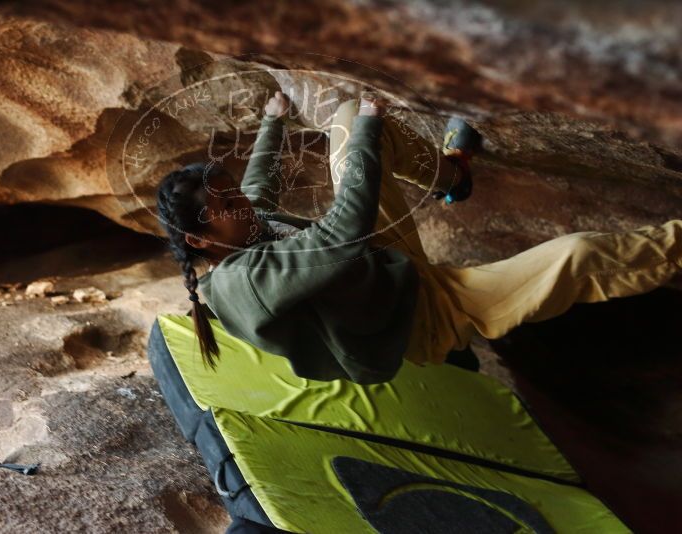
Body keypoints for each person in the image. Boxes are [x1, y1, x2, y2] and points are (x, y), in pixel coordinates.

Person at [155, 90, 682, 384]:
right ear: (200, 240)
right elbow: (343, 229)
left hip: (382, 261)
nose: (240, 203)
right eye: (224, 206)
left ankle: (456, 175)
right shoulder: (244, 285)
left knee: (343, 119)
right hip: (425, 315)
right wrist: (368, 123)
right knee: (578, 255)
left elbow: (256, 187)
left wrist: (273, 121)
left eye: (230, 193)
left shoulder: (241, 228)